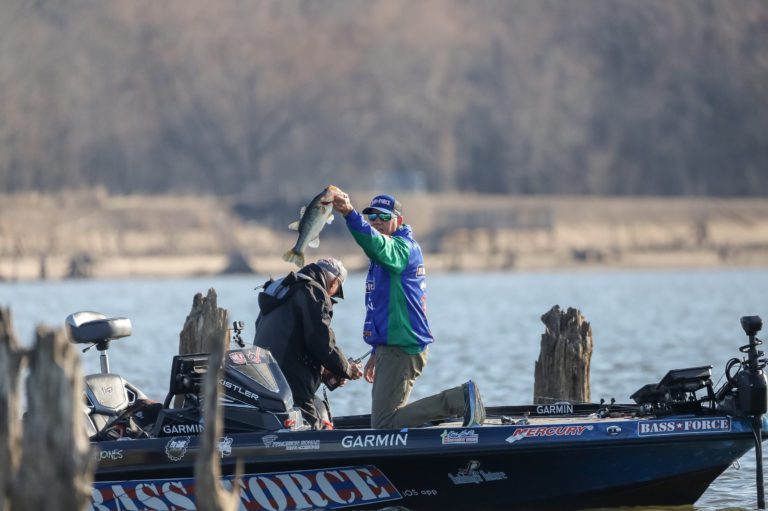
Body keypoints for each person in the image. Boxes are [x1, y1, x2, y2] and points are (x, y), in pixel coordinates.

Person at [331, 189, 486, 429]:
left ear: (398, 221)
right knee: (388, 422)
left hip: (401, 348)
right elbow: (382, 307)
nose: (377, 222)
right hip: (390, 347)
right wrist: (375, 350)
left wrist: (351, 214)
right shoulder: (385, 256)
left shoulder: (402, 249)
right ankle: (435, 422)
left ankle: (460, 399)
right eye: (372, 217)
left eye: (384, 216)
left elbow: (377, 244)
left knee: (383, 426)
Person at [252, 257, 363, 429]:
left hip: (265, 376)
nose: (332, 295)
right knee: (313, 429)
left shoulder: (281, 288)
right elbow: (322, 342)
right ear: (334, 281)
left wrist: (327, 371)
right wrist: (346, 368)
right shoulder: (313, 290)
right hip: (291, 382)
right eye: (336, 290)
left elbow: (295, 337)